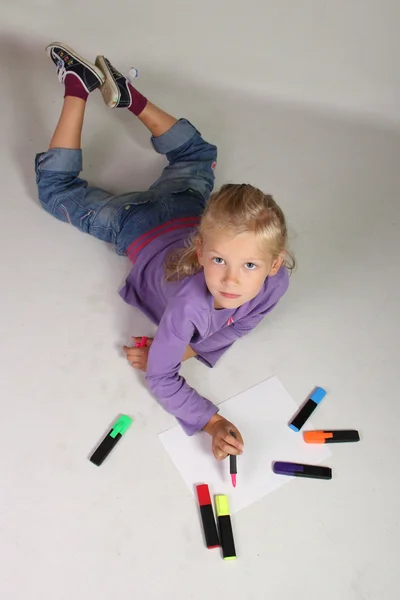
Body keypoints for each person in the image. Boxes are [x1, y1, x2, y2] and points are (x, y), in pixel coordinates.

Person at [36, 42, 294, 462]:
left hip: (187, 204)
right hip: (134, 222)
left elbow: (241, 325)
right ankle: (77, 86)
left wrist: (189, 349)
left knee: (198, 154)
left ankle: (126, 93)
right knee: (55, 192)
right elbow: (160, 376)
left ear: (275, 263)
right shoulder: (191, 306)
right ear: (201, 248)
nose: (231, 280)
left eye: (250, 265)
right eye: (219, 261)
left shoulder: (275, 284)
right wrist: (211, 421)